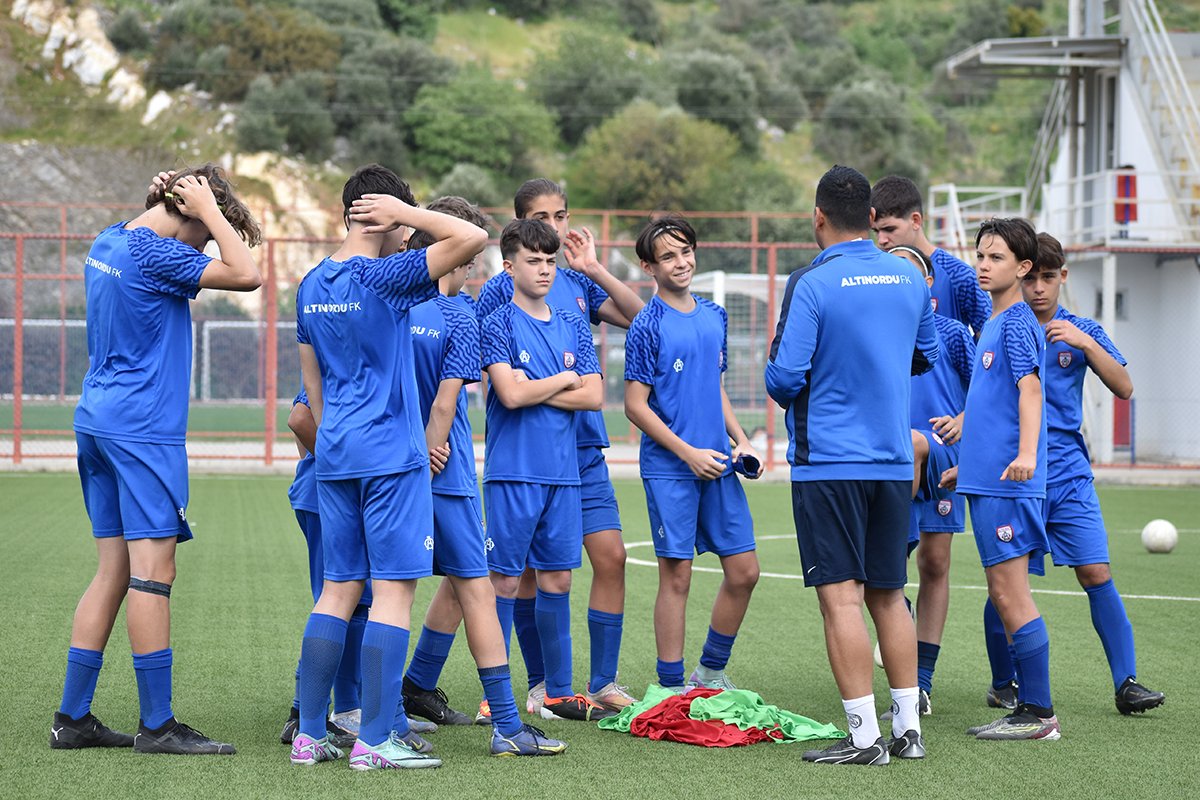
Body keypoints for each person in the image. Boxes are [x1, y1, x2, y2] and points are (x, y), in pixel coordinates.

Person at [56, 165, 261, 755]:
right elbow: (245, 274)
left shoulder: (110, 238)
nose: (201, 249)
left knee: (112, 571)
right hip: (143, 433)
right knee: (153, 573)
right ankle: (158, 726)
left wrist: (185, 204)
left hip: (96, 421)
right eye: (201, 234)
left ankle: (72, 719)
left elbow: (166, 232)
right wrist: (212, 211)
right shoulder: (154, 253)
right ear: (189, 215)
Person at [290, 164, 487, 770]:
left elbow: (312, 390)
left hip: (336, 454)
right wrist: (404, 214)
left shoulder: (311, 283)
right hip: (392, 459)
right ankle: (376, 739)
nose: (410, 229)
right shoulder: (387, 276)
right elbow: (471, 238)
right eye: (404, 216)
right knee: (394, 593)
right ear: (382, 214)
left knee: (337, 590)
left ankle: (311, 735)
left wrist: (334, 445)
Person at [765, 165, 939, 766]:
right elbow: (927, 354)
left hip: (830, 463)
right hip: (894, 462)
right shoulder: (909, 275)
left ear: (818, 217)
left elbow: (785, 379)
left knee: (841, 598)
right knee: (890, 595)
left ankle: (865, 739)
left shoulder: (810, 282)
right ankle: (908, 732)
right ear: (871, 217)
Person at [400, 197, 568, 756]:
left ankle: (397, 696)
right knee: (458, 584)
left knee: (403, 586)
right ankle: (501, 722)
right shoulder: (451, 313)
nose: (475, 263)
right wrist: (427, 444)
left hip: (408, 469)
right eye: (470, 250)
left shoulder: (406, 305)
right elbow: (450, 402)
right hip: (428, 469)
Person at [476, 178, 644, 715]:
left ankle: (594, 683)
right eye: (542, 219)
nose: (555, 231)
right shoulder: (502, 299)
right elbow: (510, 391)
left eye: (562, 216)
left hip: (580, 457)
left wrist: (595, 268)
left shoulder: (574, 295)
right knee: (512, 576)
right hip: (522, 460)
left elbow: (641, 327)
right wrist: (560, 382)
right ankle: (522, 688)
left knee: (596, 560)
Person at [1019, 232, 1163, 714]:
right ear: (1018, 276)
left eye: (1048, 277)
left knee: (1096, 572)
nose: (1038, 288)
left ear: (1063, 277)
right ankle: (1005, 683)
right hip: (1016, 474)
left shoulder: (1081, 328)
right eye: (1031, 277)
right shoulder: (1003, 327)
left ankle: (1127, 683)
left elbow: (1124, 385)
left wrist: (1082, 342)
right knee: (1010, 580)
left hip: (1068, 474)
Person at [623, 216, 762, 694]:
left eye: (685, 252)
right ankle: (668, 688)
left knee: (745, 572)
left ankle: (710, 672)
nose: (681, 263)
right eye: (668, 256)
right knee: (677, 577)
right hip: (671, 470)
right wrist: (687, 454)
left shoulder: (714, 315)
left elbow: (714, 386)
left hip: (719, 467)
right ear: (649, 266)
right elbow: (634, 406)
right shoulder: (647, 324)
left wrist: (741, 440)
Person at [948, 217, 1060, 741]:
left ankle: (1038, 714)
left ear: (1023, 268)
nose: (983, 265)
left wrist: (1027, 454)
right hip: (988, 480)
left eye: (995, 258)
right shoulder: (993, 322)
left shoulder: (1016, 321)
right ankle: (1029, 709)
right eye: (980, 256)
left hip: (1010, 482)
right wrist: (963, 468)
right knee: (1001, 588)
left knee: (1012, 594)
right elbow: (989, 405)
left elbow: (1030, 391)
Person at [887, 246, 976, 715]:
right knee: (882, 567)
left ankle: (921, 681)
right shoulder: (874, 336)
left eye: (912, 277)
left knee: (936, 564)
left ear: (926, 287)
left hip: (940, 454)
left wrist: (964, 416)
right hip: (888, 457)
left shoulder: (954, 335)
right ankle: (896, 624)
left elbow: (990, 388)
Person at [279, 388, 366, 749]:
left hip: (328, 492)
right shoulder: (335, 341)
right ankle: (302, 715)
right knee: (337, 602)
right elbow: (300, 419)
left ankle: (347, 709)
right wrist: (336, 466)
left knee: (351, 601)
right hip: (330, 495)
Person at [870, 175, 991, 336]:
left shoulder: (959, 275)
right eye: (876, 231)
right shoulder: (874, 275)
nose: (881, 240)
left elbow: (989, 337)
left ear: (915, 220)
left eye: (889, 229)